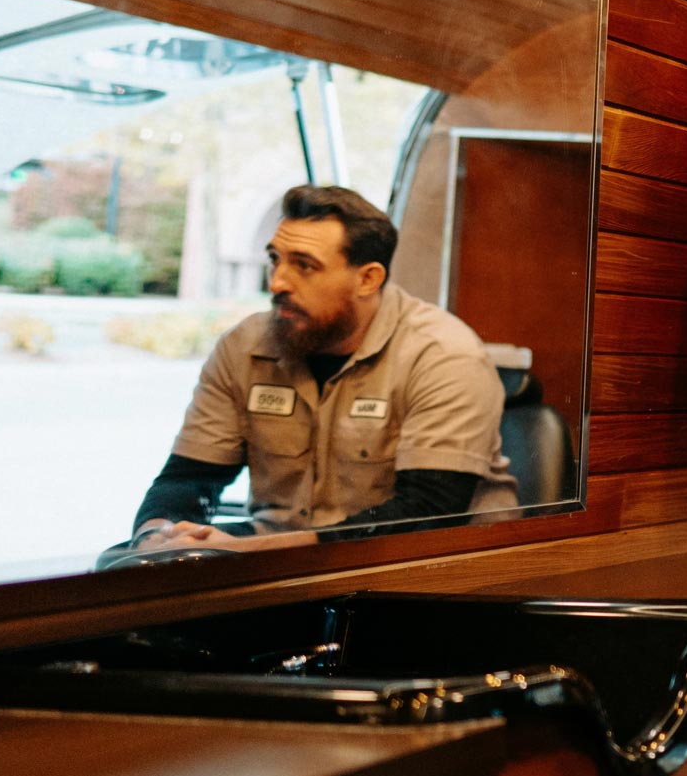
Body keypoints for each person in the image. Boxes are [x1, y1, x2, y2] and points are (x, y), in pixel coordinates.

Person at [128, 184, 517, 553]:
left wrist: (251, 553)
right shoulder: (244, 347)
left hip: (423, 570)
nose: (278, 282)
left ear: (368, 279)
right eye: (275, 260)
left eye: (304, 266)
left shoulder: (443, 354)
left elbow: (427, 512)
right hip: (281, 554)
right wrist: (156, 538)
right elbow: (188, 478)